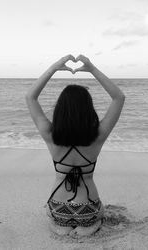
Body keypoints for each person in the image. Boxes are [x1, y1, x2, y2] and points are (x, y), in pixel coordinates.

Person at [25, 54, 125, 236]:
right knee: (100, 211)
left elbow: (30, 97)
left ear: (60, 110)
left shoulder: (49, 134)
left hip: (59, 208)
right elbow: (119, 97)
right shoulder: (98, 135)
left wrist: (53, 68)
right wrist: (92, 69)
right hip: (88, 209)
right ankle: (89, 227)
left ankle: (60, 227)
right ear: (89, 110)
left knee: (49, 211)